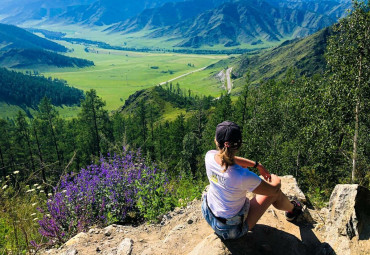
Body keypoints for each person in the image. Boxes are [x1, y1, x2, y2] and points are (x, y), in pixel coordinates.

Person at [201, 120, 303, 240]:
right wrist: (276, 180)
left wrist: (256, 165)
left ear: (216, 141)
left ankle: (291, 208)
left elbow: (230, 159)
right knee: (276, 193)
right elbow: (274, 189)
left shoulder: (209, 156)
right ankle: (293, 210)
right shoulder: (243, 176)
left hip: (207, 212)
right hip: (229, 230)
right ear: (239, 145)